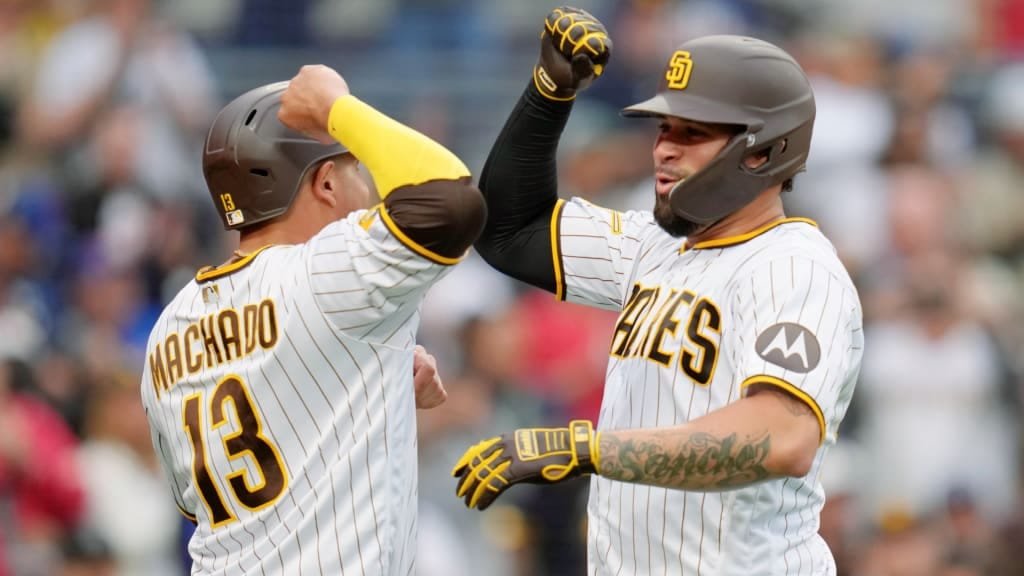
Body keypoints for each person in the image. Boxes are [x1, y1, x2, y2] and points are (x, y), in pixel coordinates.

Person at [451, 6, 864, 575]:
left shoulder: (794, 267)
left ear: (763, 150)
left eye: (692, 133)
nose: (663, 149)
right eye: (663, 129)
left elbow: (782, 436)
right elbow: (510, 232)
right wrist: (548, 94)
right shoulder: (652, 244)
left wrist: (588, 449)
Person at [140, 65, 485, 575]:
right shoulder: (325, 271)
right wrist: (337, 109)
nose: (367, 187)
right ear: (325, 182)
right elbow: (452, 199)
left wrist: (369, 380)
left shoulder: (168, 326)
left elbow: (203, 501)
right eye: (355, 170)